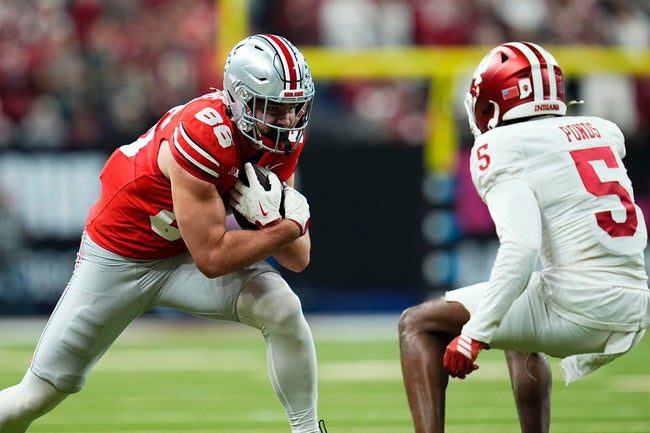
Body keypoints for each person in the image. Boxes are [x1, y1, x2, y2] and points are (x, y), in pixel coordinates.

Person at [0, 34, 326, 433]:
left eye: (294, 109)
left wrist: (282, 226)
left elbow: (298, 257)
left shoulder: (277, 139)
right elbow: (213, 258)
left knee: (282, 307)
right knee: (35, 396)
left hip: (180, 257)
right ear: (240, 100)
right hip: (120, 257)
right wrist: (286, 225)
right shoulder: (202, 135)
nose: (288, 121)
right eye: (276, 109)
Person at [399, 41, 649, 433]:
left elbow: (521, 247)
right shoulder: (603, 131)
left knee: (416, 324)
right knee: (518, 307)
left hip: (581, 306)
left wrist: (474, 336)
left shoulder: (500, 146)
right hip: (635, 303)